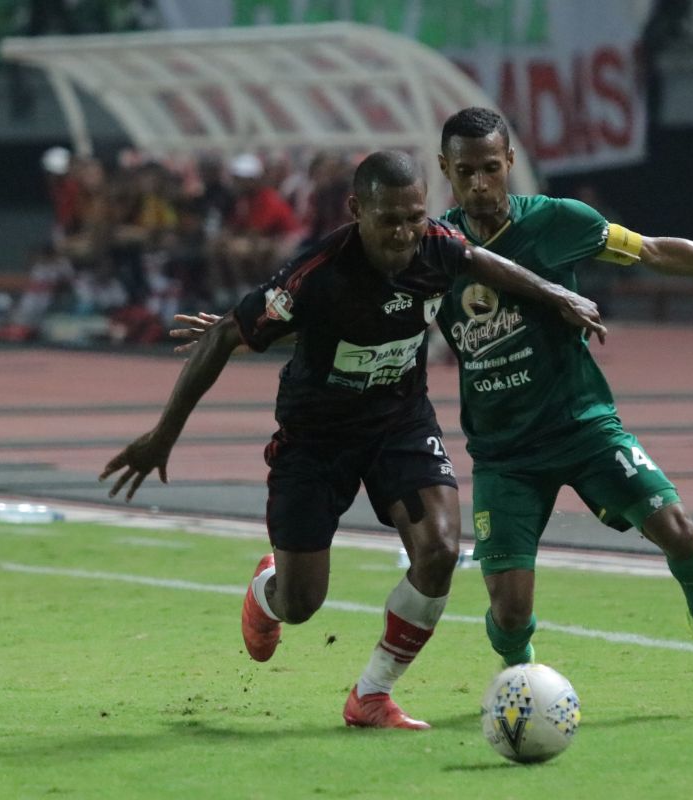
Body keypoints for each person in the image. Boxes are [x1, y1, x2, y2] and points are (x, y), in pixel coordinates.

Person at [100, 150, 606, 729]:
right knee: (302, 604)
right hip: (315, 441)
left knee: (440, 550)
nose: (402, 233)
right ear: (355, 210)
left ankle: (371, 694)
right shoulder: (315, 275)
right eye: (388, 218)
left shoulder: (436, 245)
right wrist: (163, 437)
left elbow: (485, 262)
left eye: (413, 217)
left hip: (399, 425)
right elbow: (222, 341)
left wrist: (557, 294)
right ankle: (268, 590)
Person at [430, 107, 693, 678]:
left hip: (584, 427)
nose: (479, 183)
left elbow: (655, 251)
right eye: (464, 171)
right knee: (509, 610)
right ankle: (522, 674)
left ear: (509, 161)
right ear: (444, 170)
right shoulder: (433, 249)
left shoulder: (559, 222)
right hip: (505, 453)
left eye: (489, 168)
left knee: (678, 531)